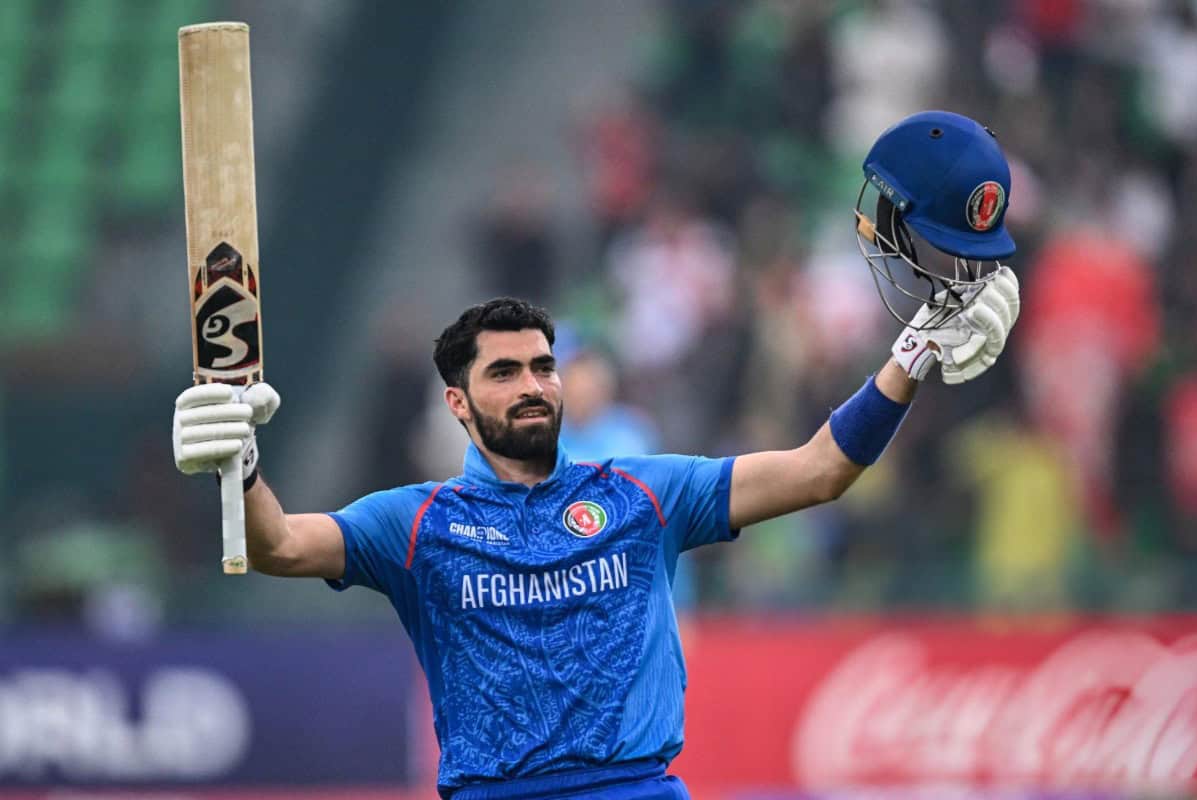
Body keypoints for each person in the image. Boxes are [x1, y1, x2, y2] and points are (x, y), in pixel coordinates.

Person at [171, 111, 1021, 800]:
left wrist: (909, 357)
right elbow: (277, 543)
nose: (533, 384)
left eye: (544, 365)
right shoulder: (418, 522)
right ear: (458, 404)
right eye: (504, 373)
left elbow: (819, 469)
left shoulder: (644, 494)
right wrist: (239, 463)